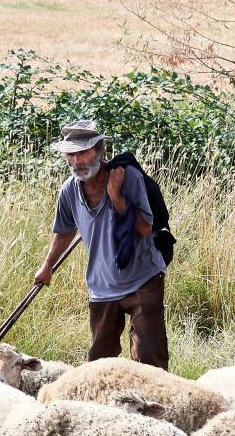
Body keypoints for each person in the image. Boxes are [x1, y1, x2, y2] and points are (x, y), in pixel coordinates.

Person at [34, 120, 169, 370]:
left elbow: (144, 228)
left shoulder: (128, 178)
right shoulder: (69, 191)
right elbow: (65, 231)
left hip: (142, 280)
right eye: (70, 155)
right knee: (98, 364)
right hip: (101, 286)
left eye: (82, 152)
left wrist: (116, 195)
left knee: (150, 359)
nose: (76, 161)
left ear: (100, 151)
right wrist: (47, 266)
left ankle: (156, 406)